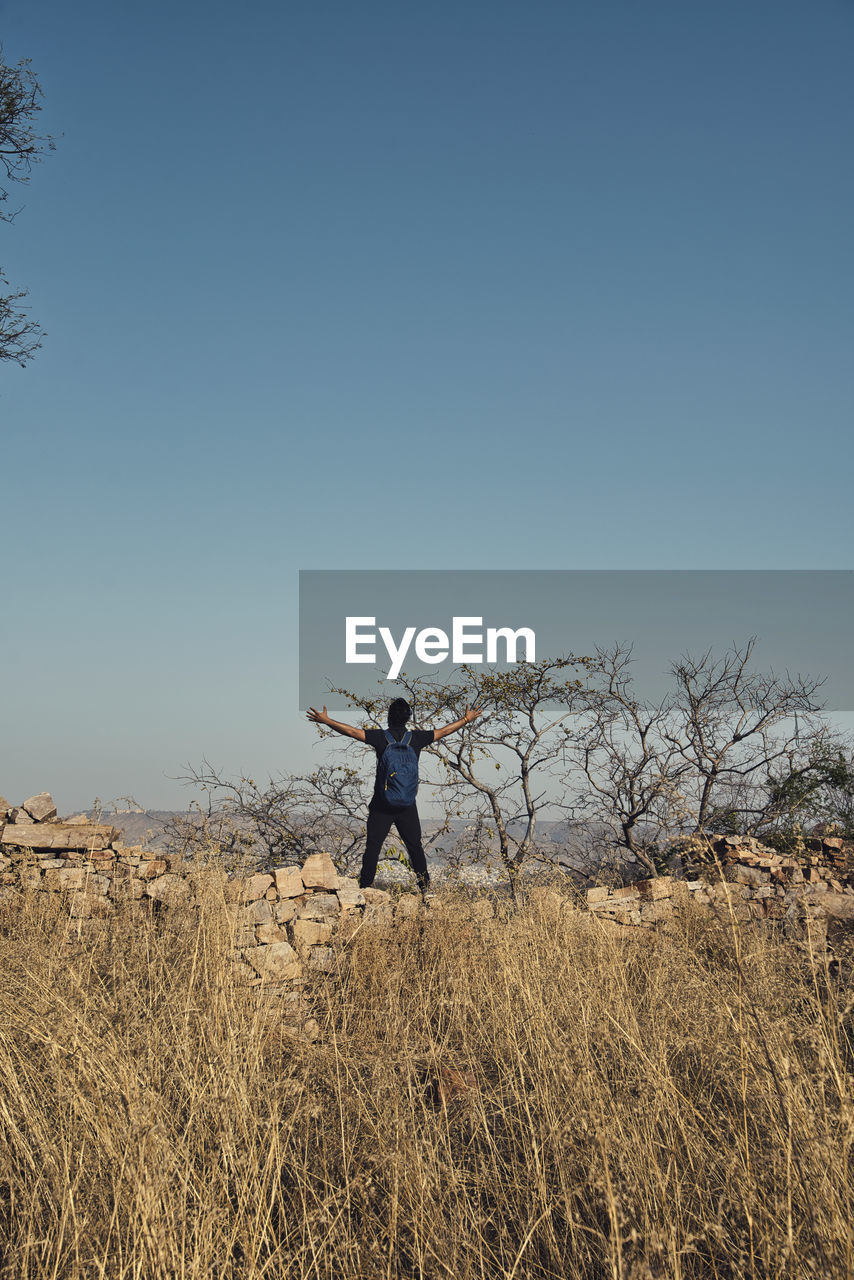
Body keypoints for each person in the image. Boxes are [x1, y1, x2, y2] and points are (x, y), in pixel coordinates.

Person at [306, 697, 483, 892]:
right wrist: (466, 719)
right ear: (408, 717)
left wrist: (327, 720)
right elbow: (444, 731)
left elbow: (352, 731)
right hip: (407, 805)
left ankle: (365, 887)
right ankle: (425, 888)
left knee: (373, 846)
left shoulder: (380, 737)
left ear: (389, 716)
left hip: (382, 804)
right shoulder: (416, 739)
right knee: (414, 846)